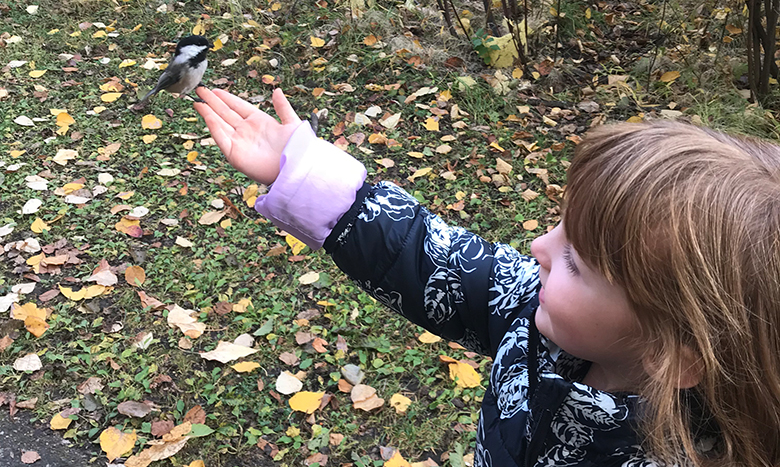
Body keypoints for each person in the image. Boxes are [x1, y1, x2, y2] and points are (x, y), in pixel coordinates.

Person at [193, 87, 780, 467]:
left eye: (576, 260)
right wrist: (301, 171)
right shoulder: (536, 310)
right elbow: (426, 255)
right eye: (559, 228)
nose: (539, 247)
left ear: (675, 354)